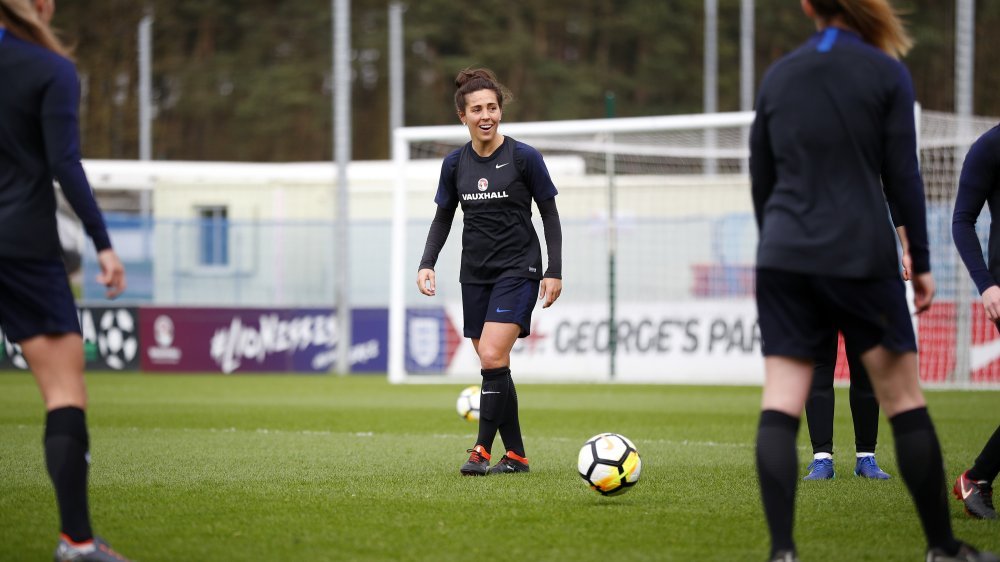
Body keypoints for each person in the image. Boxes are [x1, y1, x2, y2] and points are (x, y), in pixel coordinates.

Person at [750, 1, 996, 561]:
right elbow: (902, 174)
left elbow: (762, 176)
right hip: (862, 250)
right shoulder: (886, 71)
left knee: (781, 400)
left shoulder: (780, 74)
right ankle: (941, 548)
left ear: (808, 6)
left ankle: (782, 553)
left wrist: (778, 250)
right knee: (903, 398)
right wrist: (923, 259)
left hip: (785, 254)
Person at [0, 1, 130, 560]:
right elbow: (65, 164)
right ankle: (76, 543)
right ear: (40, 6)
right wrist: (103, 243)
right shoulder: (49, 68)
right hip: (22, 243)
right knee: (63, 392)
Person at [417, 68, 562, 476]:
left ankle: (481, 448)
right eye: (477, 108)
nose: (487, 115)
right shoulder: (453, 164)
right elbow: (443, 217)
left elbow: (549, 213)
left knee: (494, 354)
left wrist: (554, 269)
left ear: (501, 111)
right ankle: (515, 455)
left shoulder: (523, 157)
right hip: (475, 273)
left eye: (493, 107)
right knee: (492, 362)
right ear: (462, 115)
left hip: (520, 267)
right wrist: (427, 262)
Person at [802, 225, 910, 481]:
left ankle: (866, 457)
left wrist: (908, 247)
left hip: (864, 270)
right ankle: (822, 460)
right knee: (819, 364)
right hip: (815, 267)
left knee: (865, 365)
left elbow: (897, 194)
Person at [951, 121, 1000, 521]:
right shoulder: (989, 147)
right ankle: (976, 479)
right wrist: (986, 285)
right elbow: (961, 220)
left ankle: (977, 479)